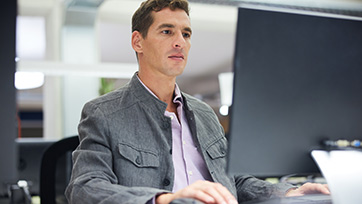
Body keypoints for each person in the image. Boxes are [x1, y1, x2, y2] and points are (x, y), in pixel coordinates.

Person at [65, 0, 330, 203]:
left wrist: (290, 192)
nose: (180, 42)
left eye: (186, 34)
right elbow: (85, 188)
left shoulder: (204, 113)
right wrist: (165, 199)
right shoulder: (103, 113)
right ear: (138, 42)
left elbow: (234, 181)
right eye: (167, 31)